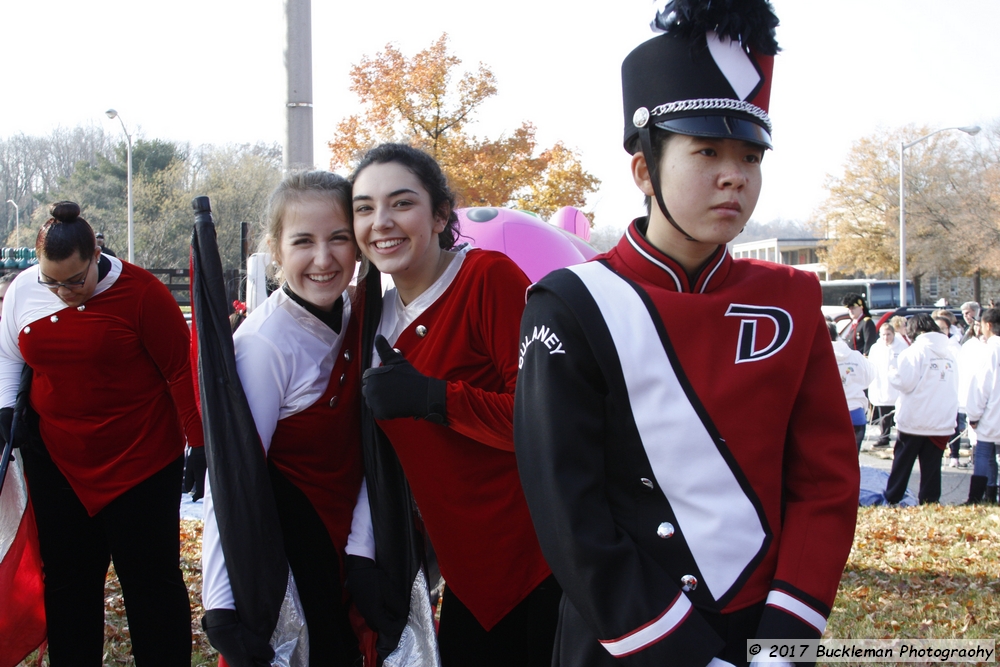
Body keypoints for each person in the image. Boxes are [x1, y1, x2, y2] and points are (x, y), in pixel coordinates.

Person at [513, 4, 859, 666]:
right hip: (631, 638)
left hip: (768, 635)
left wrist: (782, 643)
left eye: (750, 155)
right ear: (643, 170)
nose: (735, 175)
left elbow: (827, 483)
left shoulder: (792, 298)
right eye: (706, 151)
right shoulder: (569, 306)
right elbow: (570, 515)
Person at [347, 143, 559, 666]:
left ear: (442, 214)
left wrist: (432, 397)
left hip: (538, 561)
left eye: (401, 203)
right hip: (460, 566)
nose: (381, 222)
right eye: (364, 208)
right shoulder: (368, 308)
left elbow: (545, 421)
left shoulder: (488, 278)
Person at [0, 201, 202, 665]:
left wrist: (199, 443)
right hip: (58, 460)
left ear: (96, 256)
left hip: (142, 460)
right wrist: (7, 410)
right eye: (51, 281)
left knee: (151, 582)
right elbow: (10, 355)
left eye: (74, 280)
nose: (62, 292)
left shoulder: (143, 293)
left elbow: (179, 373)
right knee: (69, 582)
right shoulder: (23, 291)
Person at [200, 171, 365, 666]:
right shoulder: (263, 345)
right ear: (275, 248)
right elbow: (230, 476)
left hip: (351, 542)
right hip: (295, 555)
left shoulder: (360, 310)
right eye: (303, 241)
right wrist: (221, 604)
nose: (323, 258)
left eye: (339, 238)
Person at [883, 314, 959, 504]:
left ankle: (893, 497)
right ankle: (929, 501)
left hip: (915, 418)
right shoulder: (950, 351)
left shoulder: (915, 351)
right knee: (932, 465)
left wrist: (892, 373)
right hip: (941, 418)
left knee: (903, 463)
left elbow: (905, 382)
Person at [966, 308, 1000, 504]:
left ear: (987, 325)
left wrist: (974, 415)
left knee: (984, 454)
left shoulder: (990, 351)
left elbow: (980, 386)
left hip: (991, 413)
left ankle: (977, 496)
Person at [831, 321, 875, 451]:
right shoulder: (855, 355)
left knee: (833, 462)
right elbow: (871, 376)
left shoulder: (820, 356)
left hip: (832, 414)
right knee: (853, 463)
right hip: (856, 412)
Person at [868, 323, 907, 448]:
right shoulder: (876, 348)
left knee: (898, 413)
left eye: (888, 334)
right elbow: (871, 365)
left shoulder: (901, 347)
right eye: (883, 335)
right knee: (883, 413)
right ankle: (884, 437)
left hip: (895, 384)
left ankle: (902, 438)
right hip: (881, 383)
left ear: (893, 334)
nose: (886, 338)